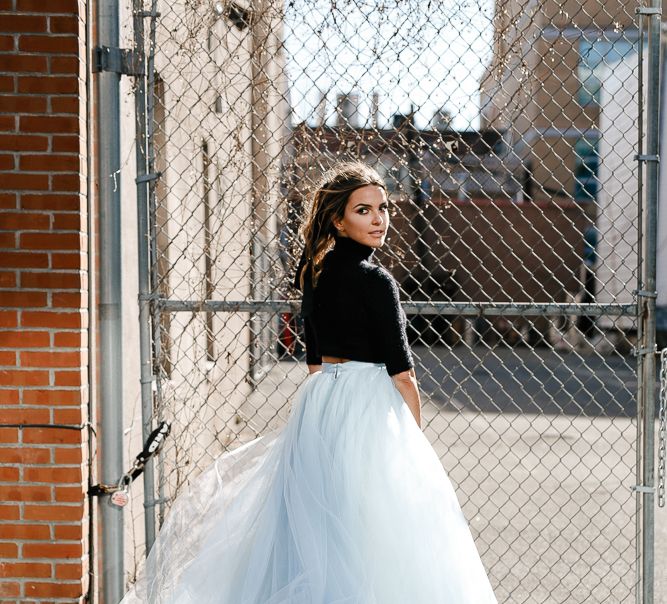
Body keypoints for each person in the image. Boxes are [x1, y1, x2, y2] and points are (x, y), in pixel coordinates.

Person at [121, 161, 497, 603]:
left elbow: (315, 363)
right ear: (338, 219)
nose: (379, 220)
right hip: (369, 404)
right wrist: (413, 439)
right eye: (364, 210)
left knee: (315, 524)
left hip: (319, 406)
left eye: (383, 208)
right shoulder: (377, 281)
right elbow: (404, 373)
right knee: (376, 527)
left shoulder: (314, 275)